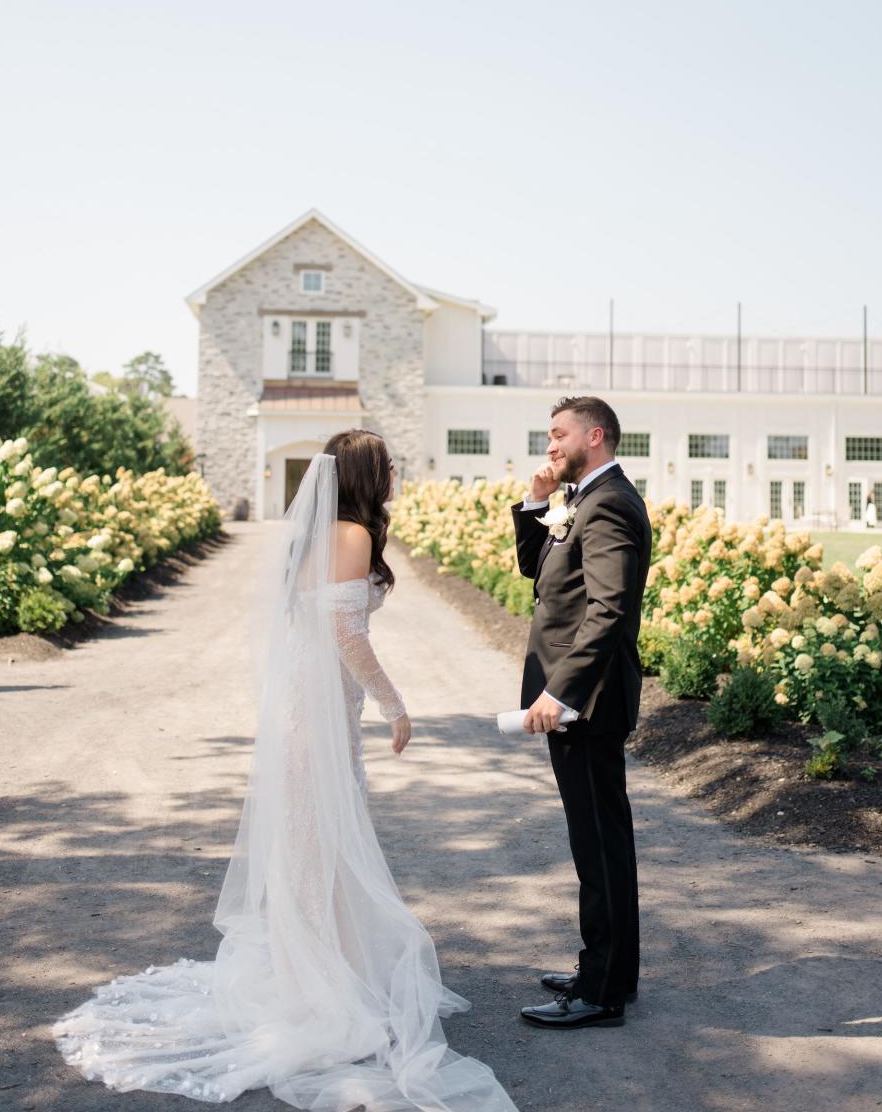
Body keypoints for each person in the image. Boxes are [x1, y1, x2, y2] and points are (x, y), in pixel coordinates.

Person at [52, 431, 518, 1112]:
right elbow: (346, 634)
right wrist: (396, 704)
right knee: (316, 843)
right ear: (364, 475)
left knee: (315, 844)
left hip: (316, 704)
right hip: (321, 712)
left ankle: (318, 969)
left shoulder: (326, 531)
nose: (397, 472)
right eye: (389, 465)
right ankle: (315, 987)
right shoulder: (352, 533)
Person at [511, 396, 652, 1029]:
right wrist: (538, 506)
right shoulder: (584, 499)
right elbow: (538, 573)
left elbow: (609, 609)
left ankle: (600, 992)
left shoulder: (611, 504)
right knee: (596, 843)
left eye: (558, 435)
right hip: (578, 700)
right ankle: (611, 970)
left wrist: (561, 691)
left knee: (599, 846)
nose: (549, 446)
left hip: (588, 702)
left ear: (594, 436)